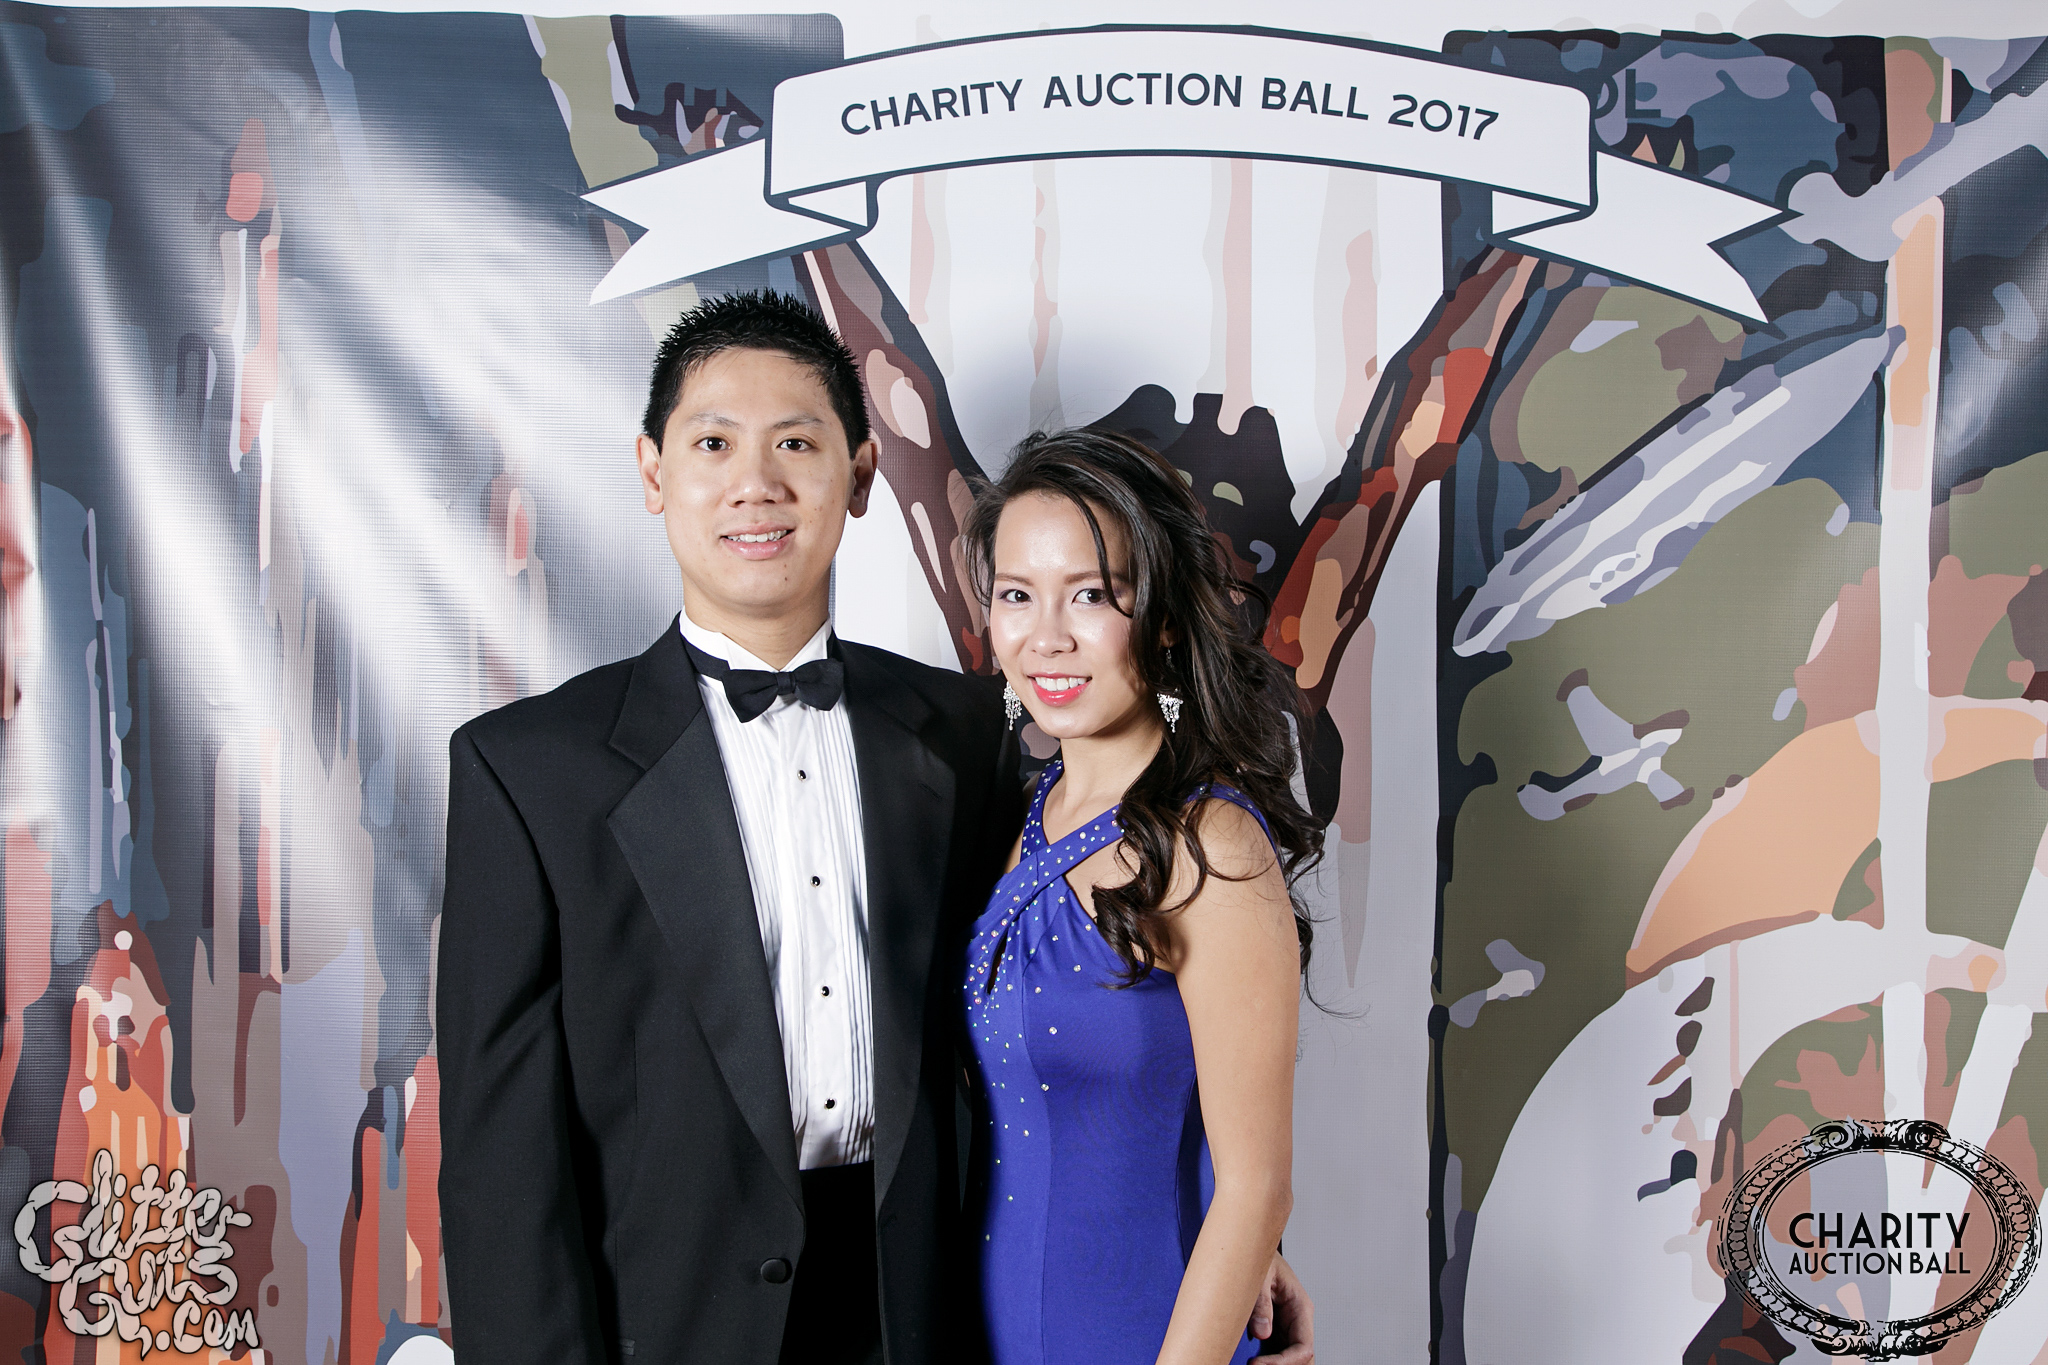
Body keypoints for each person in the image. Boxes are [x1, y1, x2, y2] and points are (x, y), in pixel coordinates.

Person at [437, 290, 1314, 1365]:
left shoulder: (965, 736)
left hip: (930, 1315)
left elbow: (1120, 1027)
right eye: (713, 444)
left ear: (858, 477)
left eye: (794, 444)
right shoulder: (528, 772)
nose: (756, 484)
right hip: (669, 1327)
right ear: (653, 473)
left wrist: (1240, 1249)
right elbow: (499, 1173)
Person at [961, 428, 1323, 1365]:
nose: (1047, 635)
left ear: (1162, 617)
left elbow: (1256, 1187)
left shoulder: (1211, 843)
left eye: (1091, 594)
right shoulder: (1016, 809)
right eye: (1017, 594)